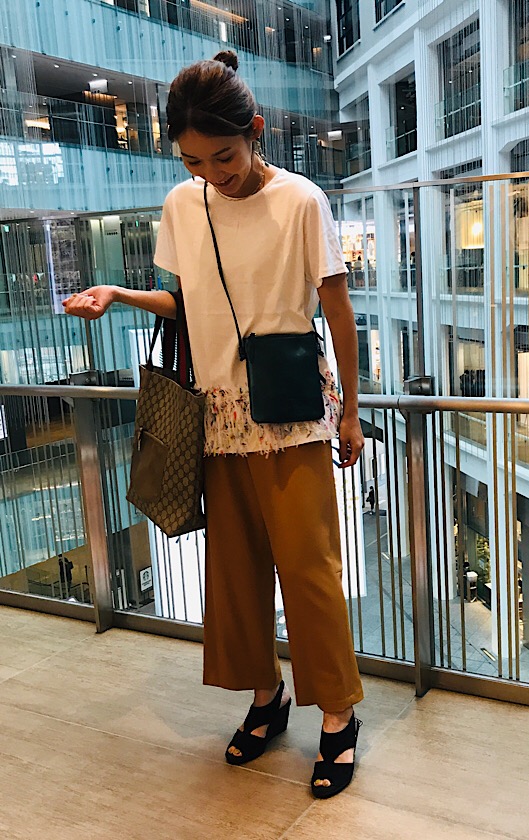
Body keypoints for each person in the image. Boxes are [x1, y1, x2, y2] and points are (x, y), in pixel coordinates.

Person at [63, 50, 364, 799]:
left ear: (255, 132)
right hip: (218, 410)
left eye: (223, 156)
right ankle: (266, 696)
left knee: (309, 570)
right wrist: (119, 294)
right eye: (193, 161)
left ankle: (338, 714)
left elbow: (337, 311)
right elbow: (188, 304)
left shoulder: (301, 201)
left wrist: (352, 414)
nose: (211, 174)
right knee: (235, 571)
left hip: (291, 410)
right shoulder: (181, 205)